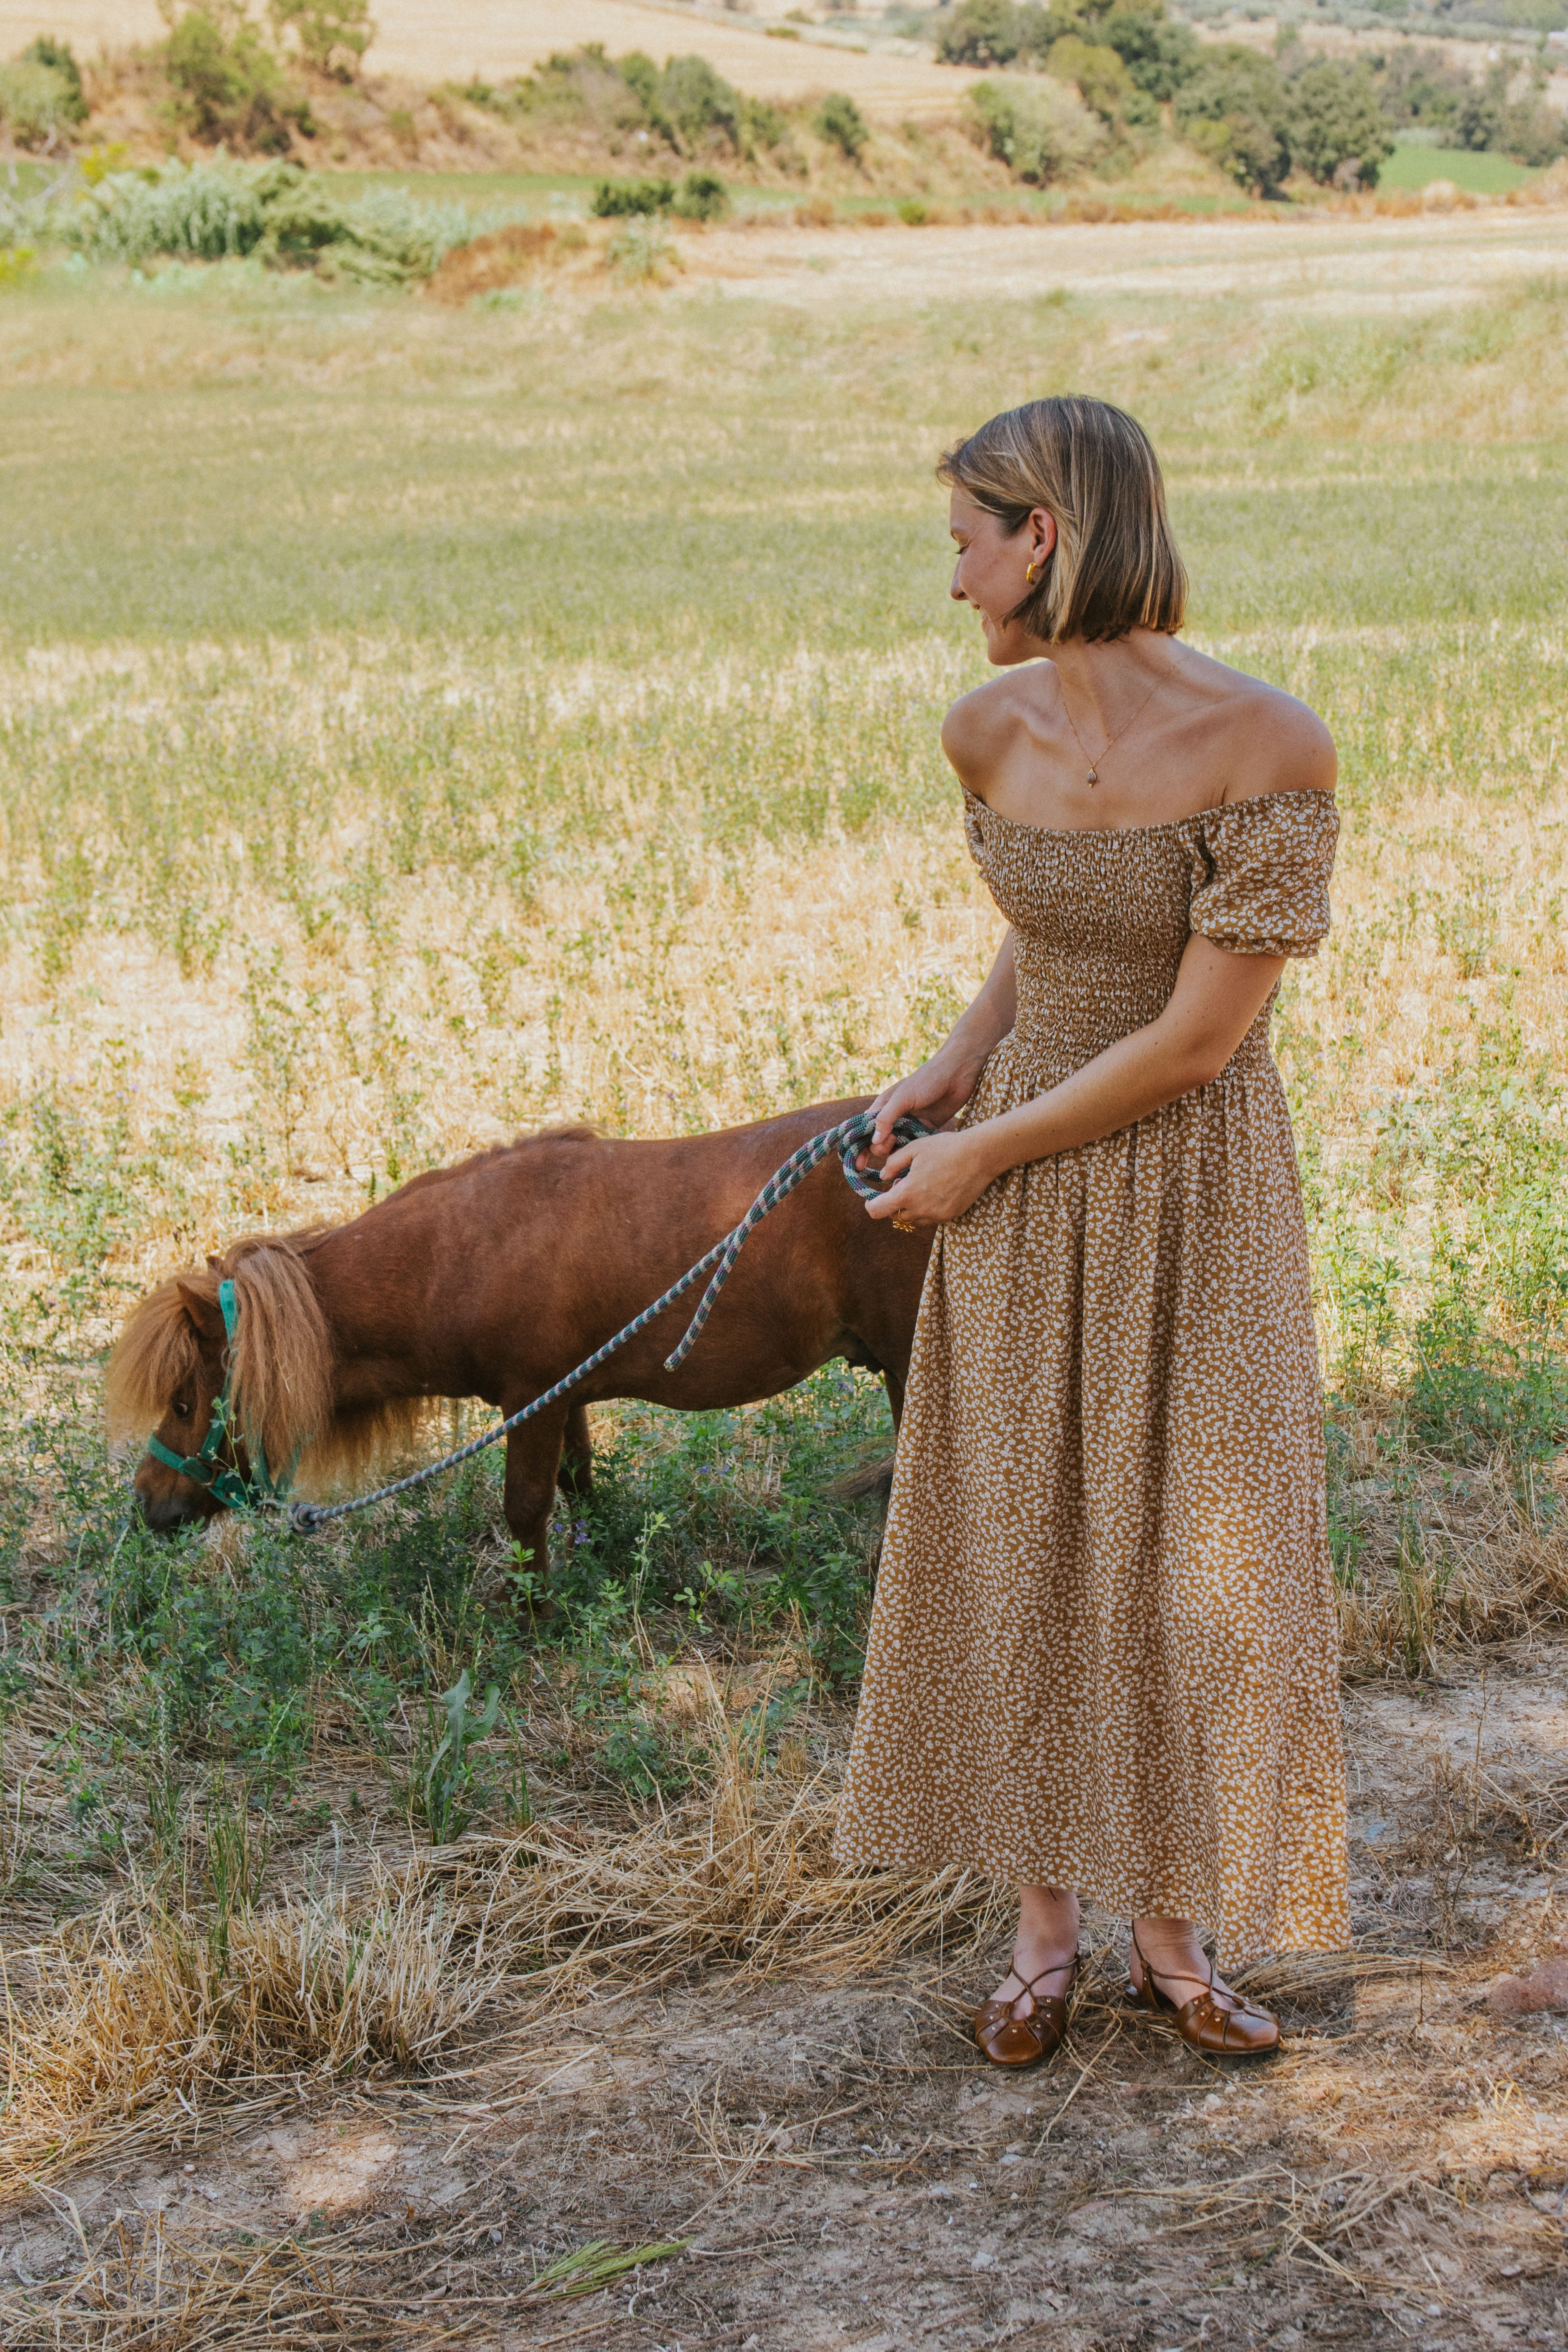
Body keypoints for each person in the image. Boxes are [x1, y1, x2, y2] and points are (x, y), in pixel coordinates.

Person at [837, 395, 1349, 2065]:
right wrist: (951, 1065)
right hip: (1014, 1160)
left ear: (1038, 538)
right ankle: (1040, 1931)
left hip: (1187, 1181)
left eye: (962, 542)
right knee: (1029, 1542)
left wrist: (980, 1154)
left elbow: (1195, 1037)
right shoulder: (983, 729)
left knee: (1188, 1560)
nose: (952, 580)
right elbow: (1051, 923)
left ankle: (1173, 1935)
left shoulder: (1268, 742)